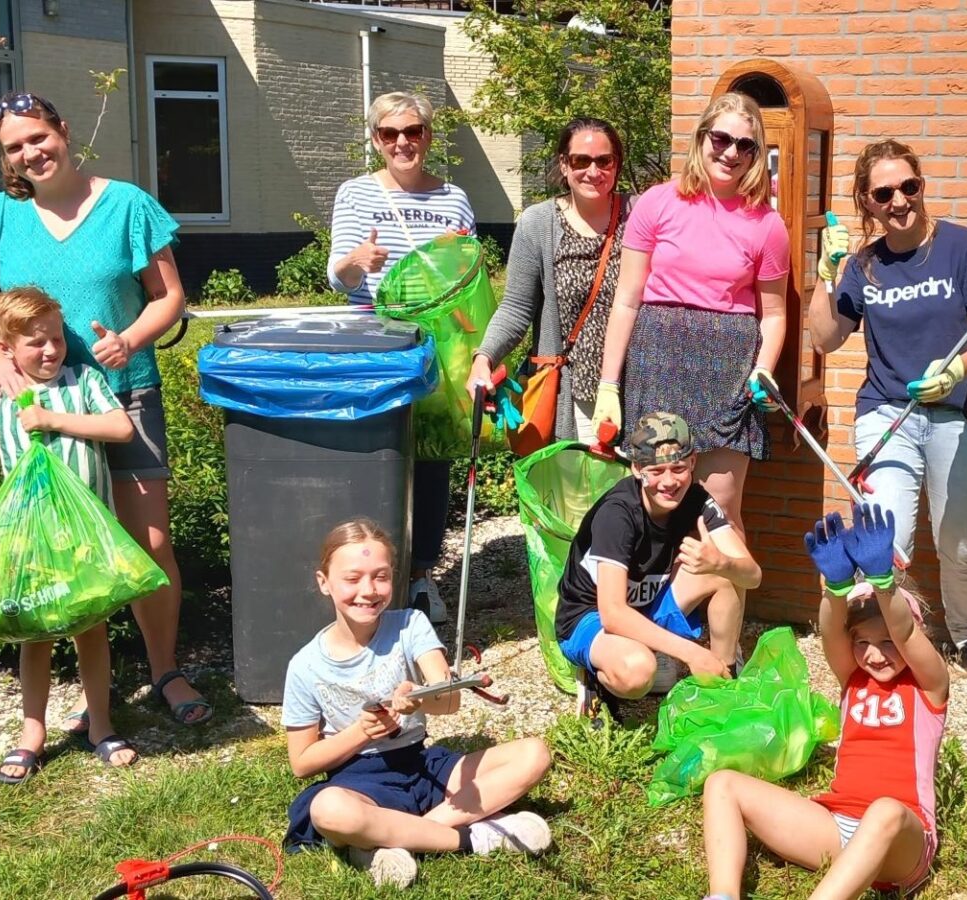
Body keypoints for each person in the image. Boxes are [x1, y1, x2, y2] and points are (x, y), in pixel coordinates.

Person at [0, 90, 207, 730]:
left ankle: (164, 669)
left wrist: (130, 340)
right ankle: (75, 686)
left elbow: (167, 296)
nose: (31, 153)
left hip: (125, 393)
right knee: (53, 548)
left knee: (149, 541)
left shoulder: (128, 205)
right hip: (40, 403)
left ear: (62, 131)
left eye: (38, 137)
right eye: (14, 146)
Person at [808, 139, 967, 690]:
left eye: (909, 187)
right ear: (867, 203)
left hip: (958, 412)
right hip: (888, 412)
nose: (899, 200)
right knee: (886, 531)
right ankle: (882, 640)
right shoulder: (865, 265)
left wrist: (957, 368)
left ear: (921, 185)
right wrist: (826, 276)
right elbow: (825, 338)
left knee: (961, 540)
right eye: (883, 193)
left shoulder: (961, 247)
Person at [0, 288, 140, 782]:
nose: (50, 350)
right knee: (33, 636)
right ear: (4, 350)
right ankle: (32, 733)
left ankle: (100, 724)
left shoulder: (83, 380)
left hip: (85, 539)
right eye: (35, 343)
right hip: (30, 546)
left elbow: (120, 428)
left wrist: (50, 419)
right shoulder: (0, 398)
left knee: (91, 629)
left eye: (56, 339)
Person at [283, 518, 553, 889]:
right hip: (358, 781)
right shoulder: (305, 665)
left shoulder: (411, 624)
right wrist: (361, 733)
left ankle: (392, 839)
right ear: (323, 582)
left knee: (534, 754)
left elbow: (450, 700)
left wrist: (421, 701)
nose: (368, 590)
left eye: (380, 576)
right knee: (329, 810)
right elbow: (302, 763)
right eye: (352, 578)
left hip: (422, 764)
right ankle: (472, 838)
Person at [701, 504, 950, 900]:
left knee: (884, 810)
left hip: (902, 837)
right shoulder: (852, 679)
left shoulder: (928, 687)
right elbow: (832, 631)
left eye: (887, 643)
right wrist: (836, 589)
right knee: (722, 784)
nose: (875, 654)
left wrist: (883, 583)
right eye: (863, 643)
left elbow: (904, 632)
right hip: (836, 828)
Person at [592, 92, 790, 528]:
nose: (731, 152)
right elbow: (626, 298)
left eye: (746, 145)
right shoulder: (657, 203)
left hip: (727, 372)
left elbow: (774, 314)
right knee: (651, 511)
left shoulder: (767, 225)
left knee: (718, 515)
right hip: (656, 362)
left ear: (757, 155)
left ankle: (724, 595)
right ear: (701, 138)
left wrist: (763, 368)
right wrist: (609, 385)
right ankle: (655, 600)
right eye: (721, 138)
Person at [326, 90, 477, 624]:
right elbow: (338, 278)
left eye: (412, 131)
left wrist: (471, 343)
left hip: (434, 347)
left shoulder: (454, 198)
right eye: (389, 134)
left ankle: (420, 579)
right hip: (375, 346)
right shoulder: (355, 193)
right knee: (378, 456)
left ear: (429, 136)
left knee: (432, 460)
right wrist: (356, 259)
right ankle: (369, 577)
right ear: (375, 141)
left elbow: (468, 275)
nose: (402, 142)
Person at [555, 413, 761, 720]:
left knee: (726, 576)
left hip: (643, 603)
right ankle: (596, 678)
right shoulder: (618, 514)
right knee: (638, 671)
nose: (668, 482)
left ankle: (721, 684)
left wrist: (721, 562)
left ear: (693, 462)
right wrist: (690, 652)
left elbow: (753, 575)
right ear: (637, 469)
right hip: (589, 618)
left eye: (678, 468)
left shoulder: (697, 500)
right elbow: (612, 614)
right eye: (656, 471)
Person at [472, 118, 631, 445]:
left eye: (604, 161)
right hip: (572, 393)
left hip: (636, 388)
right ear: (563, 163)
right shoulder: (538, 223)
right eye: (580, 161)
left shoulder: (638, 214)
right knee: (582, 494)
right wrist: (484, 358)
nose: (593, 171)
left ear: (617, 164)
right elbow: (516, 308)